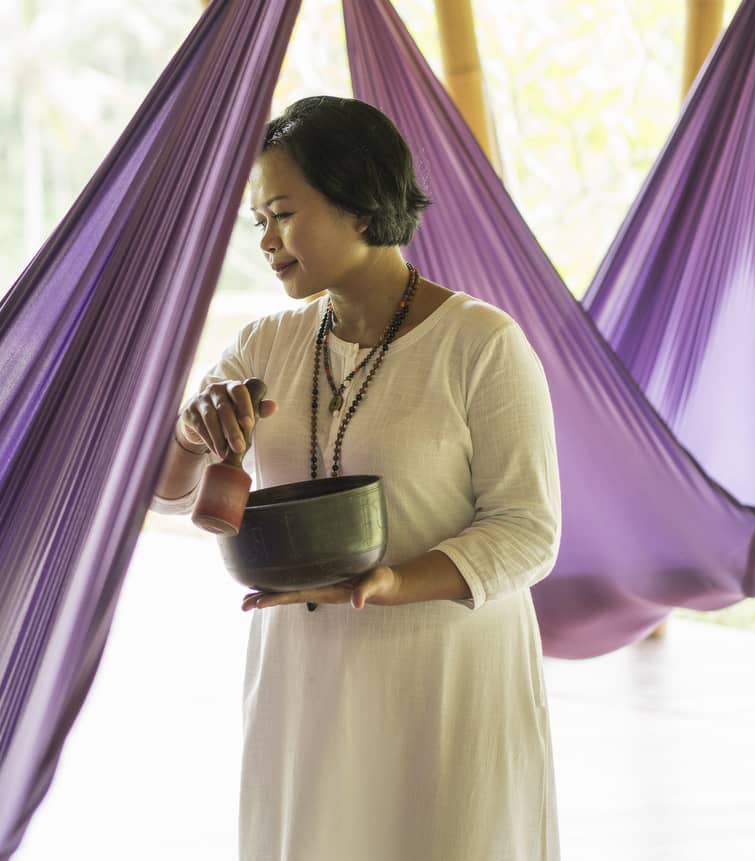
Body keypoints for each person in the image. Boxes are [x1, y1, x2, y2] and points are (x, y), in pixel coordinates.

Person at [152, 96, 562, 860]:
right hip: (305, 677)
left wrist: (387, 584)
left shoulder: (482, 345)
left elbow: (529, 532)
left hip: (445, 679)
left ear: (361, 205)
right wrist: (187, 426)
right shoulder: (265, 342)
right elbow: (168, 495)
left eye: (282, 213)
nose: (267, 241)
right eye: (258, 222)